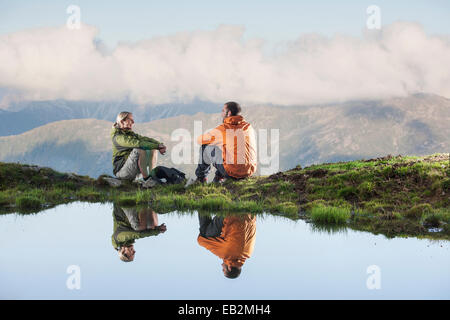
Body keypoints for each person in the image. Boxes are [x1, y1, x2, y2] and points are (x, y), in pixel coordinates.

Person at [193, 102, 257, 184]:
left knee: (205, 147)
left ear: (229, 113)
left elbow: (200, 140)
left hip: (233, 172)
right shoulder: (248, 127)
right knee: (227, 151)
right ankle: (218, 179)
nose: (221, 114)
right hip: (249, 171)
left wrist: (216, 141)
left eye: (223, 111)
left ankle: (201, 179)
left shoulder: (224, 128)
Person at [111, 111, 167, 185]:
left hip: (131, 169)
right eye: (130, 119)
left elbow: (145, 139)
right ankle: (146, 179)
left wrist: (159, 145)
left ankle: (152, 176)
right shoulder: (118, 138)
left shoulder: (130, 134)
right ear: (122, 121)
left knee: (153, 149)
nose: (133, 122)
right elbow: (138, 143)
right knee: (140, 148)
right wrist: (158, 146)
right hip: (122, 172)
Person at [197, 213, 256, 279]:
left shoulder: (248, 253)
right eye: (223, 269)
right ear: (229, 268)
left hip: (249, 214)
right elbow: (201, 241)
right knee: (205, 234)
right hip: (231, 214)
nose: (221, 265)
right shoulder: (227, 254)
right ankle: (203, 205)